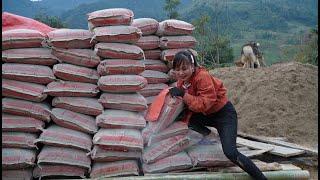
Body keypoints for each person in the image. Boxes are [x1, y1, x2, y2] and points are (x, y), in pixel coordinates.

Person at [168, 50, 267, 180]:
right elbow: (188, 104)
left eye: (184, 68)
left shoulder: (202, 76)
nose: (180, 73)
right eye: (177, 69)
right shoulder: (182, 81)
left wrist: (183, 95)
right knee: (184, 118)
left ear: (193, 67)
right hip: (206, 115)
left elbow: (205, 103)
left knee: (230, 152)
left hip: (224, 115)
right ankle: (211, 136)